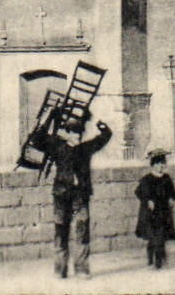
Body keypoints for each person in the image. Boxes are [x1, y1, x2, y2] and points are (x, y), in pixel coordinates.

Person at [46, 116, 112, 279]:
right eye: (74, 132)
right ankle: (60, 270)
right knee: (61, 230)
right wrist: (48, 118)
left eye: (80, 132)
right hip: (61, 194)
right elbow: (40, 138)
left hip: (80, 195)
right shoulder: (57, 148)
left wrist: (102, 126)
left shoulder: (86, 148)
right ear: (66, 132)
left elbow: (105, 137)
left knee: (82, 231)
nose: (77, 135)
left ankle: (81, 269)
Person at [134, 148, 175, 269]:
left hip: (163, 212)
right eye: (158, 164)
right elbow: (139, 192)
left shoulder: (166, 178)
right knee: (153, 237)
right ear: (152, 165)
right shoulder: (147, 179)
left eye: (163, 164)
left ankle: (160, 260)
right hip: (151, 213)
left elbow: (171, 192)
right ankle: (151, 259)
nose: (161, 167)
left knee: (161, 236)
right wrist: (148, 200)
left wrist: (171, 198)